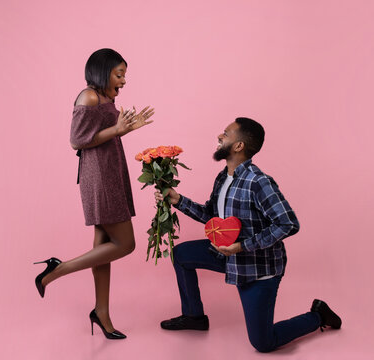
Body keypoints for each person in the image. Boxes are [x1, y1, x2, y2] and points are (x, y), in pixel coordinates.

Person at [155, 118, 341, 352]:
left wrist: (242, 247)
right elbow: (212, 217)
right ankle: (194, 317)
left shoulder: (258, 182)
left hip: (257, 268)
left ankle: (318, 316)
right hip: (227, 256)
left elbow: (288, 223)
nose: (220, 136)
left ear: (238, 146)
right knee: (181, 253)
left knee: (263, 342)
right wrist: (178, 201)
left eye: (226, 133)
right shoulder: (224, 177)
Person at [34, 48, 154, 340]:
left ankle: (102, 313)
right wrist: (116, 129)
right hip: (100, 177)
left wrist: (125, 129)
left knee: (104, 247)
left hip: (109, 171)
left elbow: (101, 135)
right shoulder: (88, 97)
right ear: (102, 72)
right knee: (125, 244)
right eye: (119, 73)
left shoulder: (104, 98)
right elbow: (77, 140)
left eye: (124, 74)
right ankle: (57, 269)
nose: (123, 81)